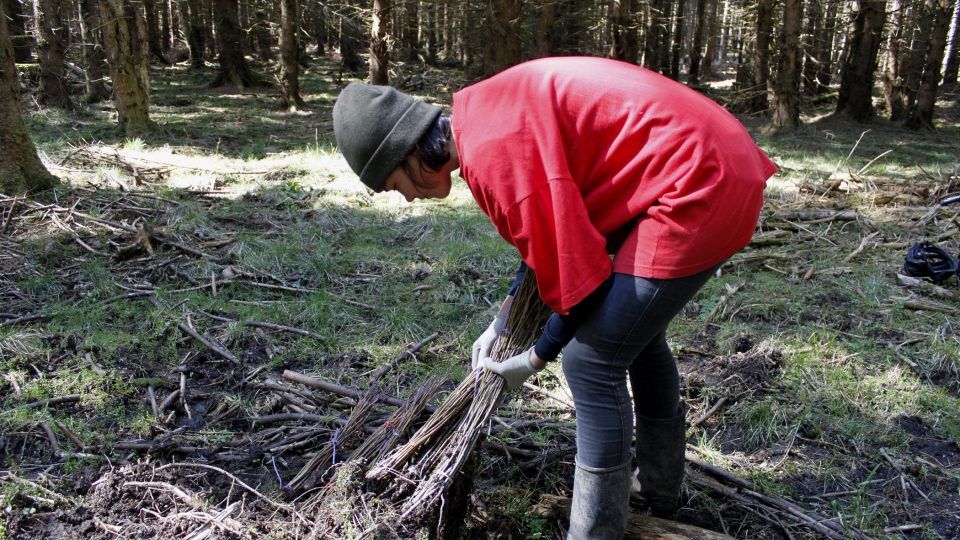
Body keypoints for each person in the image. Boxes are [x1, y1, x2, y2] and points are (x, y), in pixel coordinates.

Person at [333, 56, 777, 539]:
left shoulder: (495, 157)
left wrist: (536, 358)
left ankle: (594, 532)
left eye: (394, 185)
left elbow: (579, 282)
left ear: (409, 153)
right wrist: (502, 322)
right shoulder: (484, 114)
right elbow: (549, 232)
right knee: (637, 338)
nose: (407, 199)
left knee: (592, 360)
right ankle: (660, 494)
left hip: (698, 185)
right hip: (715, 158)